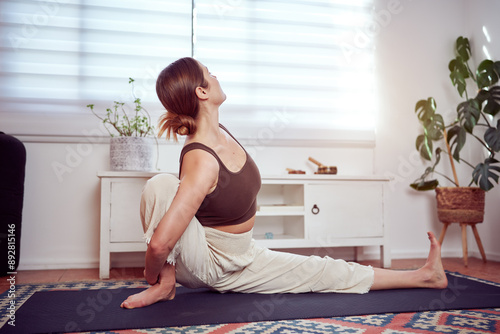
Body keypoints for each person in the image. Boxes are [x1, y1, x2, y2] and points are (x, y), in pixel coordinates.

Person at [120, 57, 448, 309]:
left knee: (323, 271)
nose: (216, 75)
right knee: (161, 184)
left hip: (243, 256)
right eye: (210, 72)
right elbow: (160, 245)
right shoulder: (201, 159)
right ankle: (166, 285)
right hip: (209, 261)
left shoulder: (221, 131)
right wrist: (155, 277)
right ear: (202, 91)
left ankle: (423, 276)